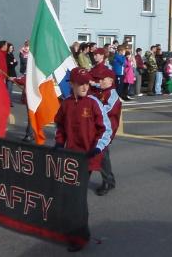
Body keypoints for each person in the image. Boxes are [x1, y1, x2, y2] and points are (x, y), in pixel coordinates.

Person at [53, 67, 112, 252]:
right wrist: (59, 144)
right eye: (81, 83)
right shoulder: (66, 104)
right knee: (70, 196)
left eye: (87, 83)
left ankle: (79, 236)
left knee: (77, 198)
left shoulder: (94, 103)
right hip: (70, 158)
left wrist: (97, 148)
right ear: (72, 85)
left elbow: (106, 129)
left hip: (86, 158)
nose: (85, 86)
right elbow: (60, 127)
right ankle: (75, 231)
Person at [90, 66, 121, 196]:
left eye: (103, 80)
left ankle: (108, 181)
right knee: (99, 155)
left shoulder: (112, 94)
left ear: (111, 81)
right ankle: (109, 180)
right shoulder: (103, 91)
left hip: (106, 131)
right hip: (99, 128)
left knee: (102, 157)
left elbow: (105, 110)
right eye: (100, 80)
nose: (100, 82)